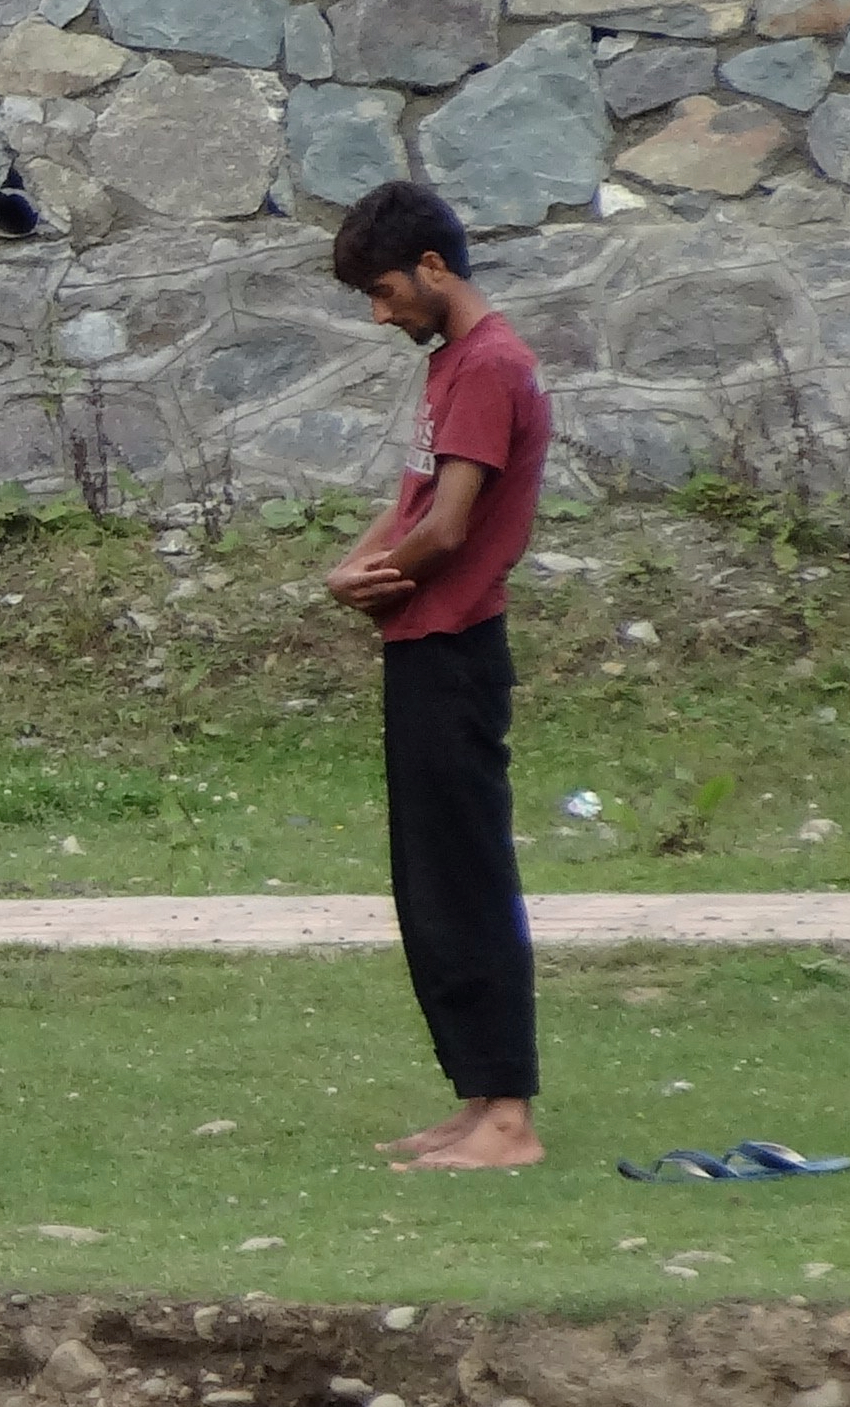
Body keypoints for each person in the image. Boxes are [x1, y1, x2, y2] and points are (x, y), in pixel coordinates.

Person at [320, 181, 553, 1172]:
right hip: (416, 641)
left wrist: (376, 576)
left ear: (431, 267)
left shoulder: (493, 364)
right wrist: (352, 566)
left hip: (456, 648)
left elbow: (451, 526)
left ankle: (509, 1118)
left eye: (382, 291)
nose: (379, 315)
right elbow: (411, 497)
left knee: (465, 878)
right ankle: (475, 1097)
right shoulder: (450, 362)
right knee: (426, 882)